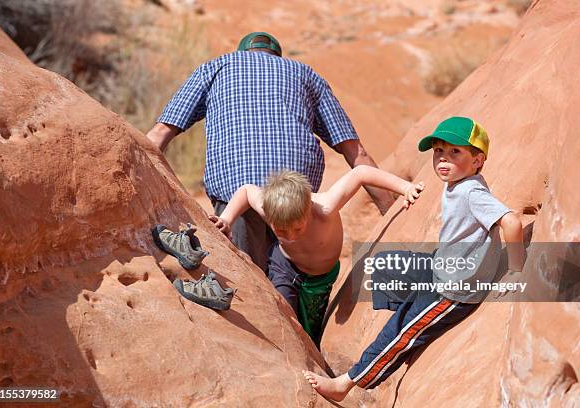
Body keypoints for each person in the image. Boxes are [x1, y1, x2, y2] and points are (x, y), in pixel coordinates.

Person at [302, 116, 526, 401]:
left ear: (478, 160)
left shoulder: (471, 191)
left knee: (399, 332)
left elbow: (512, 222)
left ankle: (347, 382)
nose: (443, 159)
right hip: (445, 267)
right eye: (438, 152)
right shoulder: (459, 182)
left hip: (454, 290)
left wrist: (517, 270)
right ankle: (411, 308)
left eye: (455, 152)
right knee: (386, 266)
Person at [146, 32, 395, 271]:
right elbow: (355, 151)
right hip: (295, 200)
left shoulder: (216, 67)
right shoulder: (304, 74)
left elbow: (159, 134)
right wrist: (392, 215)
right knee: (291, 287)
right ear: (277, 56)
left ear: (243, 53)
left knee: (250, 289)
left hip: (237, 199)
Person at [212, 167, 424, 345]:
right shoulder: (270, 207)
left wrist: (405, 188)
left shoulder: (325, 206)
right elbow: (248, 191)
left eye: (297, 228)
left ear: (308, 209)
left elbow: (360, 173)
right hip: (284, 267)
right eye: (281, 231)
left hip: (320, 279)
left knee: (311, 332)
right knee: (285, 317)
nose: (291, 236)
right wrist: (227, 219)